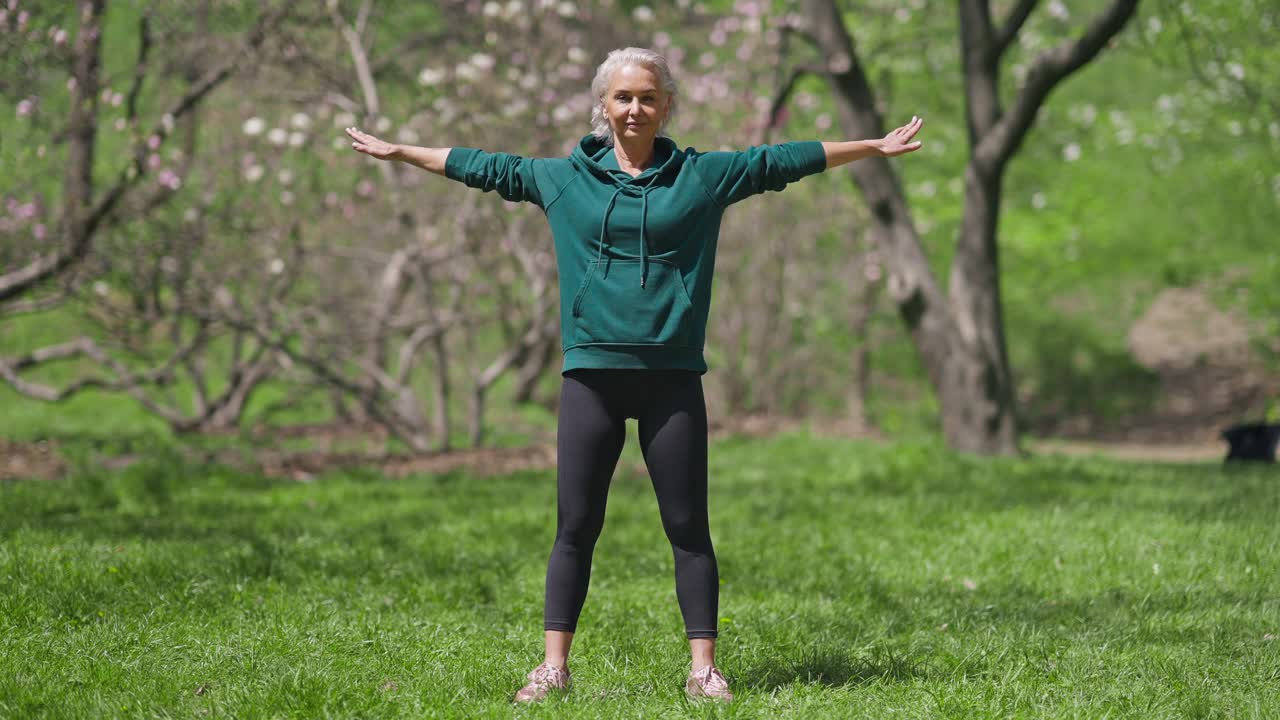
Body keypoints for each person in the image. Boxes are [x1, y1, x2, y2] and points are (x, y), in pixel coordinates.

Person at [345, 46, 923, 704]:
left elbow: (778, 161)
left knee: (687, 526)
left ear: (667, 105)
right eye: (622, 97)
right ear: (604, 105)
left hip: (670, 377)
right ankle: (553, 668)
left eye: (648, 97)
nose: (634, 109)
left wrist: (872, 148)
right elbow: (483, 167)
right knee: (575, 526)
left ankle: (703, 669)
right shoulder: (563, 180)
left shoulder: (701, 179)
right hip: (591, 376)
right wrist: (401, 152)